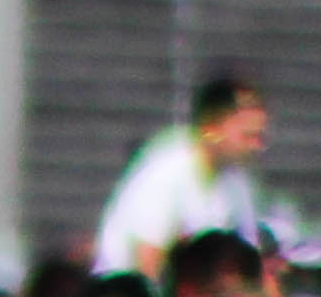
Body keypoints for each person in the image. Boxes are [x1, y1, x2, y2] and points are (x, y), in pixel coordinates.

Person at [94, 74, 269, 280]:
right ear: (212, 128)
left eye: (260, 137)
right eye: (248, 136)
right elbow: (147, 260)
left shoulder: (236, 182)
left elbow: (251, 260)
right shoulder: (167, 168)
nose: (258, 147)